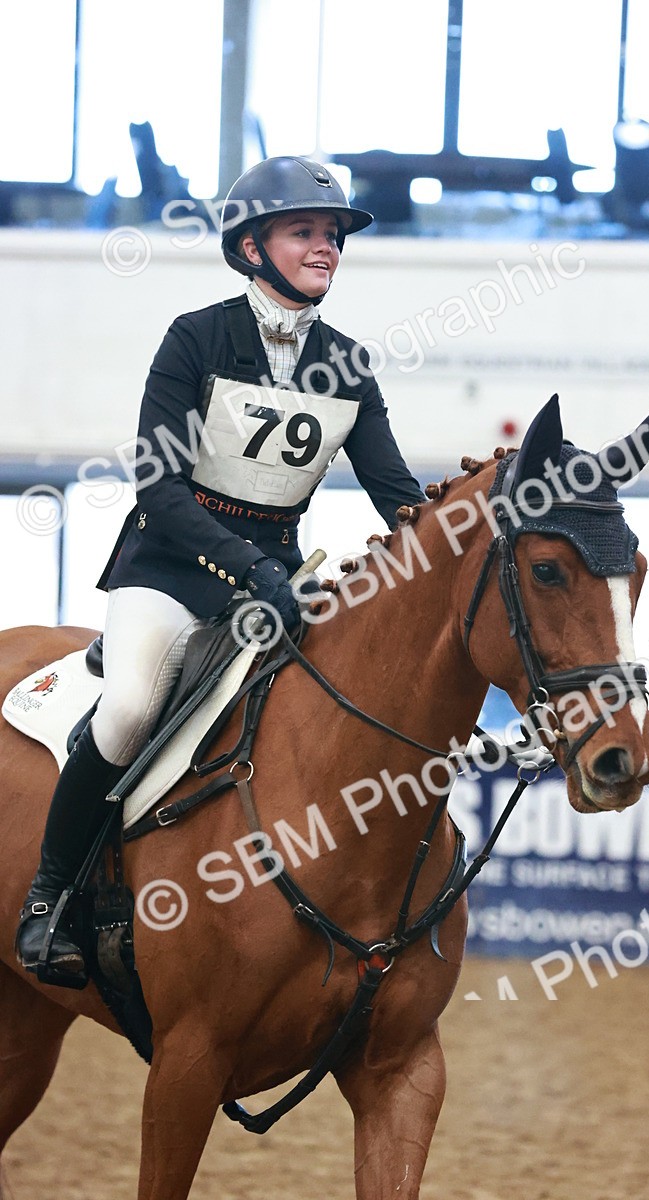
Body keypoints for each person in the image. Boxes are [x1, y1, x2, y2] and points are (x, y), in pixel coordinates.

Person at [16, 156, 426, 982]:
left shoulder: (348, 364)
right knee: (131, 706)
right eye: (305, 232)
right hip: (170, 569)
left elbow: (398, 497)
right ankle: (49, 899)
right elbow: (158, 487)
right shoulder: (195, 338)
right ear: (251, 247)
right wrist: (251, 569)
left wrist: (462, 536)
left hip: (274, 582)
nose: (326, 249)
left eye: (333, 236)